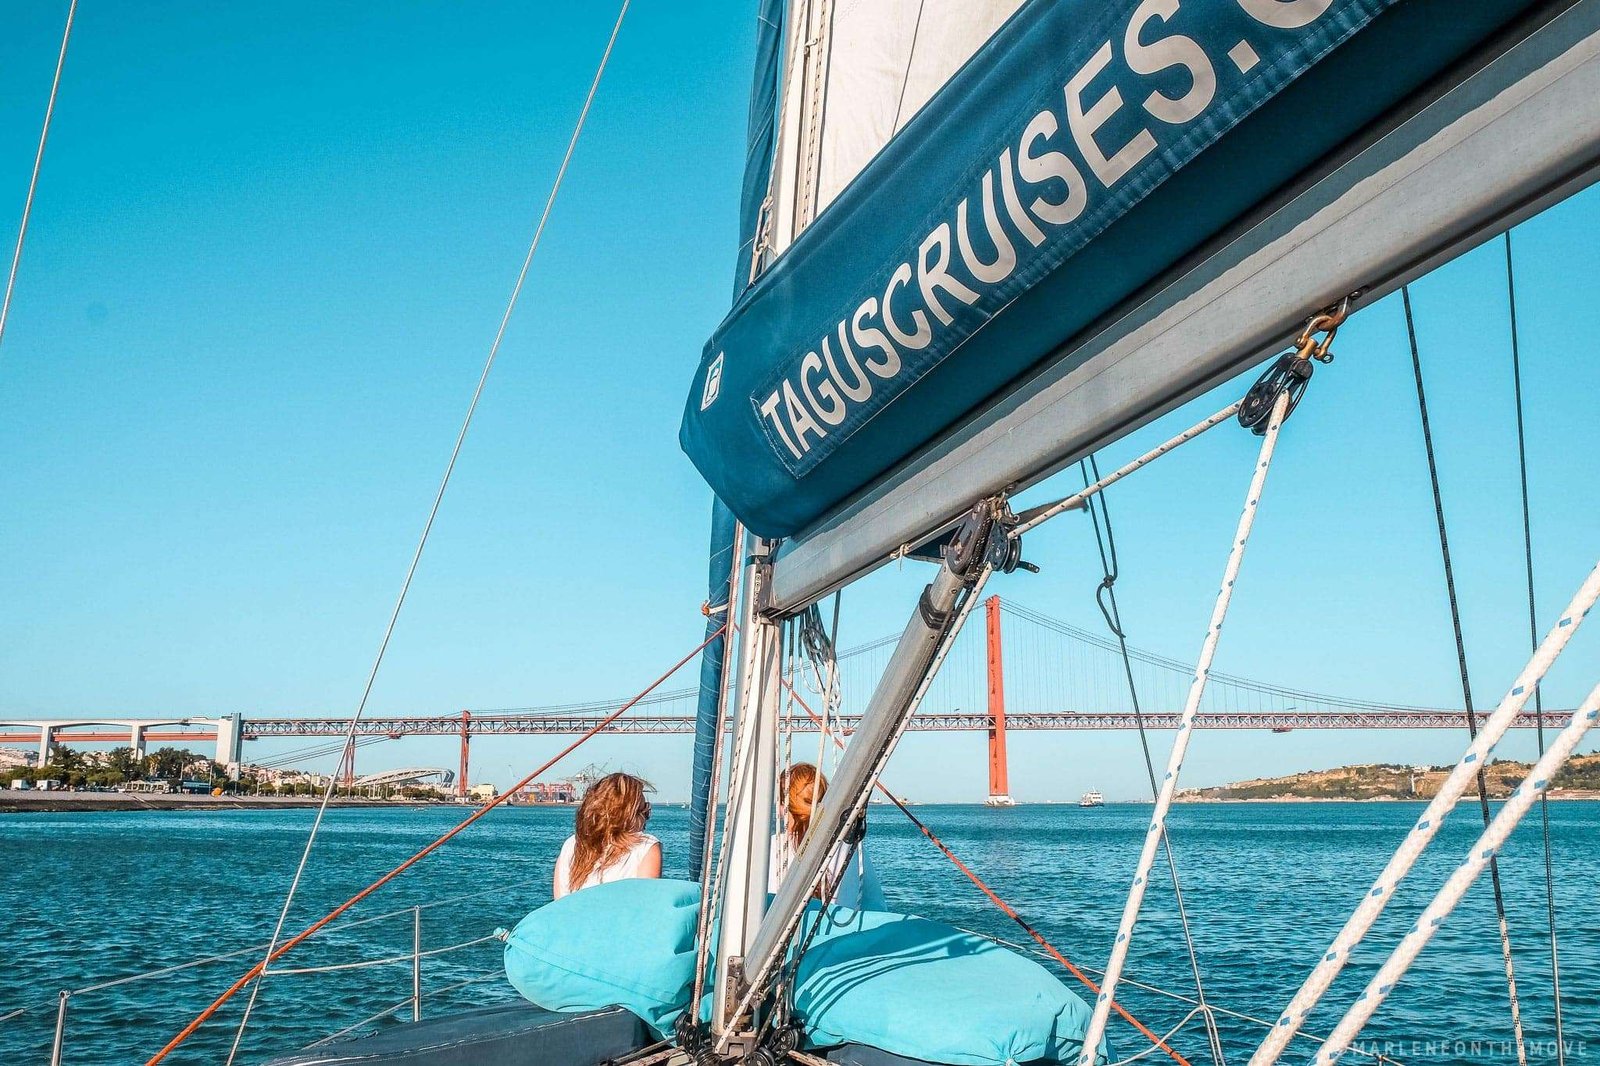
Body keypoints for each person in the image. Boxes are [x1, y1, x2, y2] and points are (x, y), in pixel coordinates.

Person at [768, 763, 883, 911]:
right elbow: (876, 908)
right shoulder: (851, 849)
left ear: (781, 806)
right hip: (845, 933)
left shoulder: (771, 849)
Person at [553, 772, 661, 899]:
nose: (647, 818)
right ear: (626, 815)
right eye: (643, 811)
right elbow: (645, 904)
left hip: (572, 918)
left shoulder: (571, 844)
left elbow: (559, 904)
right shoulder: (646, 847)